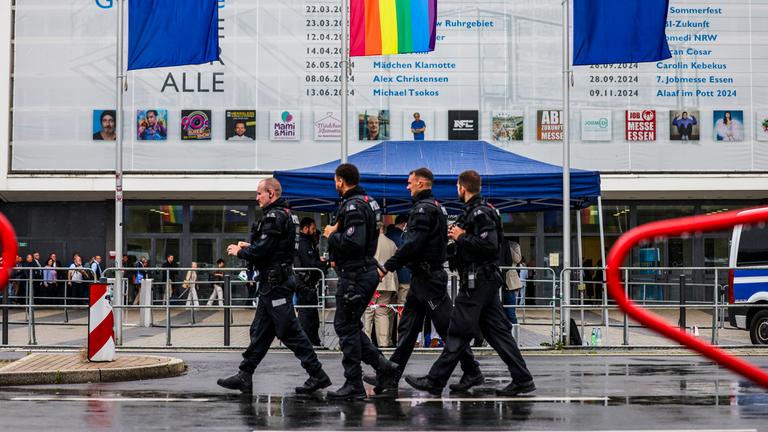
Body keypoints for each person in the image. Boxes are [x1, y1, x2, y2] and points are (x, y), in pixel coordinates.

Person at [405, 170, 535, 396]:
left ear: (462, 188)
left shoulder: (480, 212)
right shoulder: (478, 211)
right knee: (497, 333)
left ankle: (436, 380)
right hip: (482, 280)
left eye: (457, 187)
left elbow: (490, 245)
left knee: (457, 330)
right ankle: (521, 378)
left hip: (478, 281)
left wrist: (461, 237)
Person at [370, 168, 482, 394]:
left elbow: (413, 245)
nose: (407, 186)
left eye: (410, 182)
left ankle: (472, 370)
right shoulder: (436, 207)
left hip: (429, 280)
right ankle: (391, 375)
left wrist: (387, 267)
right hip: (423, 278)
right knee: (408, 329)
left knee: (447, 328)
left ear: (422, 183)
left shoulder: (423, 209)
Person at [218, 177, 331, 395]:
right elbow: (272, 248)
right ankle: (245, 374)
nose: (257, 197)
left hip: (276, 284)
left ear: (271, 193)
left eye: (259, 193)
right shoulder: (285, 215)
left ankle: (317, 374)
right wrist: (252, 246)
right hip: (273, 283)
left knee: (290, 332)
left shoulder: (274, 216)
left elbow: (264, 251)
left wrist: (240, 251)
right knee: (260, 332)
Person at [321, 163, 399, 400]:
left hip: (356, 274)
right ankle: (385, 369)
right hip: (361, 271)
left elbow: (354, 242)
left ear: (341, 181)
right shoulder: (368, 201)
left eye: (335, 180)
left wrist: (331, 236)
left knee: (345, 327)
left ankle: (354, 383)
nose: (335, 184)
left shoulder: (354, 205)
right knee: (350, 326)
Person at [363, 223, 398, 347]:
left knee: (367, 312)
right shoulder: (392, 243)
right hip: (388, 282)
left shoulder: (369, 242)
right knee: (382, 312)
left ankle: (366, 342)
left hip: (371, 280)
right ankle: (384, 342)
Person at [294, 217, 328, 346]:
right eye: (313, 229)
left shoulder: (307, 242)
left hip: (309, 283)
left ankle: (314, 340)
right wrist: (325, 264)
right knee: (306, 313)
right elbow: (309, 262)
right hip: (304, 283)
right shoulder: (303, 243)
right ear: (305, 228)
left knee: (312, 314)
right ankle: (305, 341)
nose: (315, 232)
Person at [386, 216, 411, 310]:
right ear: (404, 224)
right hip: (404, 276)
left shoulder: (386, 236)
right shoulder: (404, 238)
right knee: (402, 304)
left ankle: (390, 325)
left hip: (388, 277)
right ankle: (401, 325)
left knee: (388, 308)